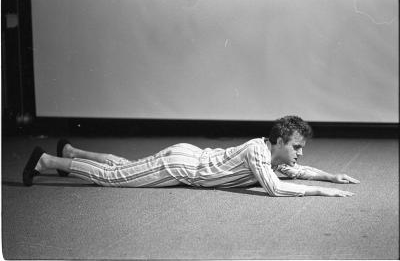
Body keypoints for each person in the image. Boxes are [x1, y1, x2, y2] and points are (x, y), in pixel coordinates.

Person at [22, 115, 360, 197]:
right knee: (115, 179)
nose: (299, 154)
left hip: (188, 155)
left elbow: (296, 173)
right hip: (181, 166)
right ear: (278, 141)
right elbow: (274, 188)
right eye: (296, 147)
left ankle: (71, 151)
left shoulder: (272, 156)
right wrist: (321, 191)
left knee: (126, 166)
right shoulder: (258, 152)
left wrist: (331, 176)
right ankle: (46, 162)